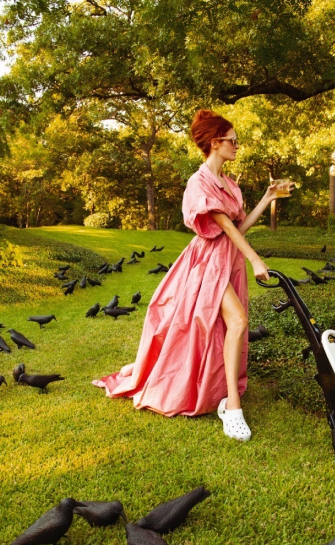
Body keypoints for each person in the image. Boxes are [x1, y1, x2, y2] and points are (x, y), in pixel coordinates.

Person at [92, 109, 281, 440]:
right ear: (215, 142)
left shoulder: (229, 184)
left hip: (227, 259)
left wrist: (268, 198)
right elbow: (224, 228)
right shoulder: (199, 182)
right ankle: (232, 407)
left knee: (227, 326)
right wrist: (255, 260)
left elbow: (238, 228)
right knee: (237, 321)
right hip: (207, 263)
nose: (237, 145)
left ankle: (206, 390)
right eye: (232, 140)